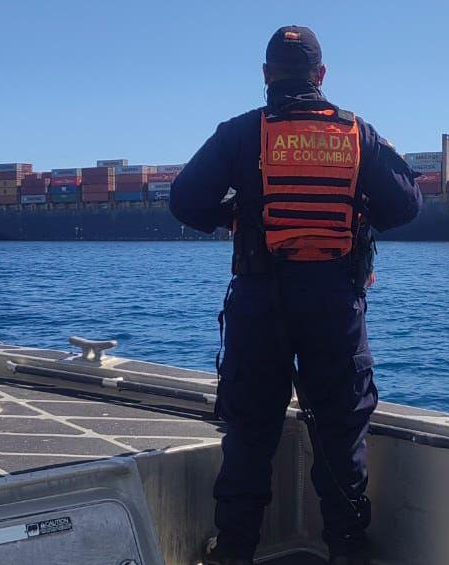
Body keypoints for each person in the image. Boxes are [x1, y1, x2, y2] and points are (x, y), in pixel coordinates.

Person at [169, 25, 422, 565]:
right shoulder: (359, 135)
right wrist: (354, 217)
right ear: (321, 75)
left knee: (250, 432)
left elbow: (185, 200)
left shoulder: (241, 133)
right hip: (335, 303)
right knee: (340, 431)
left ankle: (234, 551)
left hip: (260, 301)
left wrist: (233, 216)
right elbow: (406, 207)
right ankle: (348, 550)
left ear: (266, 77)